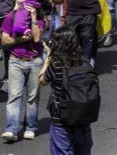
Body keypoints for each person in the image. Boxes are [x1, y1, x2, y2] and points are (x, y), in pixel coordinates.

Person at [40, 25, 96, 155]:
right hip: (83, 119)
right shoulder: (85, 62)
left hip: (62, 121)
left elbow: (41, 81)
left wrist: (49, 57)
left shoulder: (57, 64)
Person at [0, 0, 45, 143]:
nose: (20, 2)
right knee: (14, 96)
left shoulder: (40, 17)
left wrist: (32, 17)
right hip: (16, 61)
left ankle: (30, 127)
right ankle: (11, 129)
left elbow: (37, 38)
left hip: (34, 61)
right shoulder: (11, 16)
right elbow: (4, 40)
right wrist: (19, 40)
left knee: (32, 97)